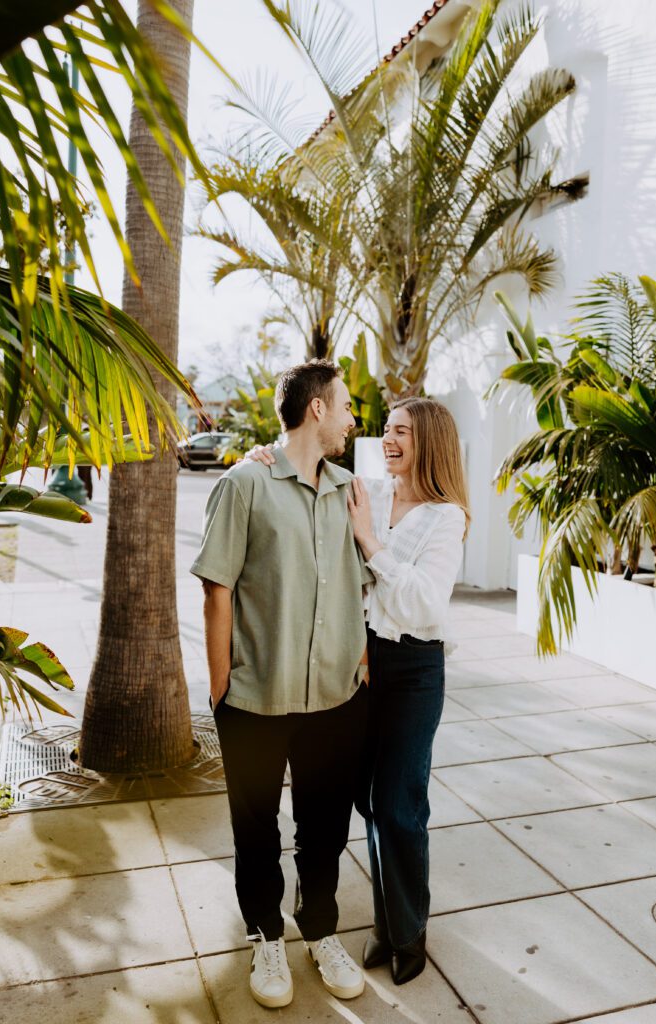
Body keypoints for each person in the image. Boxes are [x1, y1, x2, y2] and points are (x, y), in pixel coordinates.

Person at [246, 396, 469, 986]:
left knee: (400, 805)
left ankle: (408, 929)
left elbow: (422, 601)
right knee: (366, 801)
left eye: (403, 432)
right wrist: (262, 454)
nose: (388, 439)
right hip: (362, 660)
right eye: (387, 429)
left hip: (415, 670)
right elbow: (301, 465)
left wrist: (371, 542)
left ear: (430, 443)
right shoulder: (363, 485)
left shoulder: (446, 516)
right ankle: (386, 918)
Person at [190, 360, 370, 1010]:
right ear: (316, 409)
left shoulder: (351, 488)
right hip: (254, 701)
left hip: (335, 700)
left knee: (325, 830)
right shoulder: (245, 484)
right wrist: (219, 691)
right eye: (346, 406)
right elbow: (217, 590)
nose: (353, 419)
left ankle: (319, 930)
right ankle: (264, 933)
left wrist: (362, 666)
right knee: (255, 831)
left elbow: (363, 580)